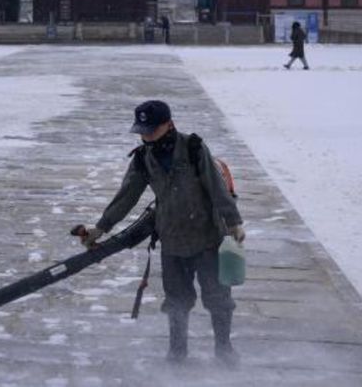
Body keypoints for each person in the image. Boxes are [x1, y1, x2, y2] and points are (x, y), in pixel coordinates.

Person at [79, 100, 245, 366]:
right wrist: (101, 227)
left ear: (168, 124)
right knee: (177, 300)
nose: (145, 136)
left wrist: (234, 221)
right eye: (142, 130)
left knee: (218, 298)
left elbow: (217, 188)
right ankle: (177, 352)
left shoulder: (193, 147)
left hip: (208, 237)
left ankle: (224, 348)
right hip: (172, 240)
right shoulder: (143, 158)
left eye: (151, 130)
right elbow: (126, 195)